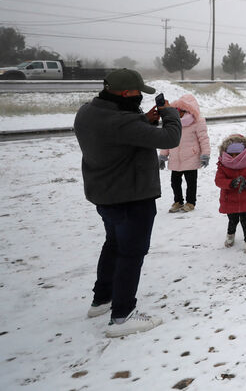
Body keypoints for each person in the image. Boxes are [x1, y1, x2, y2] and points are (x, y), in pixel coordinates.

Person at [73, 68, 181, 337]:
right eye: (137, 93)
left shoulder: (87, 112)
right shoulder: (122, 121)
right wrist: (169, 113)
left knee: (113, 244)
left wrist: (144, 120)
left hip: (104, 195)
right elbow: (171, 138)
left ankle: (102, 299)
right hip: (130, 197)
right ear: (124, 93)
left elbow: (119, 135)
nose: (140, 97)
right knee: (131, 253)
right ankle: (122, 317)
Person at [159, 93, 210, 213]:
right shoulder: (172, 122)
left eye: (180, 110)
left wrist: (205, 154)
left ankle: (190, 202)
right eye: (175, 109)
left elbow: (204, 139)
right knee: (175, 182)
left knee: (191, 182)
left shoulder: (198, 122)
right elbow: (167, 139)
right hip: (175, 158)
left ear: (187, 110)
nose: (177, 112)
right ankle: (178, 201)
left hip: (191, 157)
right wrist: (163, 155)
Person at [215, 134, 246, 255]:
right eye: (231, 154)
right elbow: (218, 180)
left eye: (237, 154)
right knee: (233, 220)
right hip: (230, 199)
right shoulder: (223, 164)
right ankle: (230, 234)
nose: (234, 157)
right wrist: (230, 183)